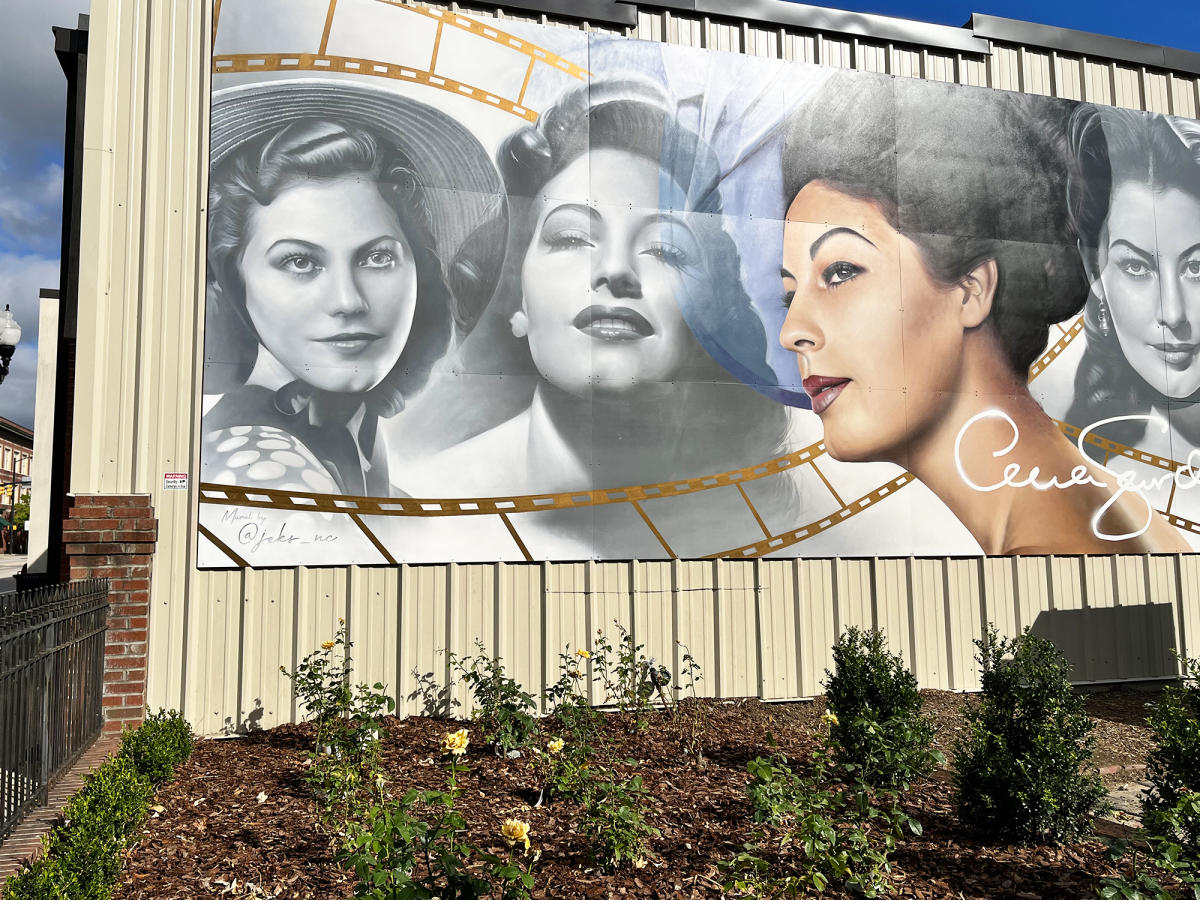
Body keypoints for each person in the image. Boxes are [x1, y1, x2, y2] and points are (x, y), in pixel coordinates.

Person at [777, 71, 1187, 555]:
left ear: (972, 290)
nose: (792, 332)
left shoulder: (1044, 561)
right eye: (789, 293)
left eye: (841, 271)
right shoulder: (1114, 515)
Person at [397, 79, 792, 558]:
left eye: (665, 249)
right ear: (517, 300)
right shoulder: (420, 511)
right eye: (570, 238)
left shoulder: (756, 523)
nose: (615, 271)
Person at [200, 80, 504, 498]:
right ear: (234, 283)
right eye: (300, 262)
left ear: (420, 270)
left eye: (377, 258)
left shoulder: (358, 454)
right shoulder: (258, 464)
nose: (348, 301)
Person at [1064, 106, 1200, 459]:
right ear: (1094, 272)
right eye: (1137, 268)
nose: (1173, 312)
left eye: (1197, 267)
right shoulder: (1091, 469)